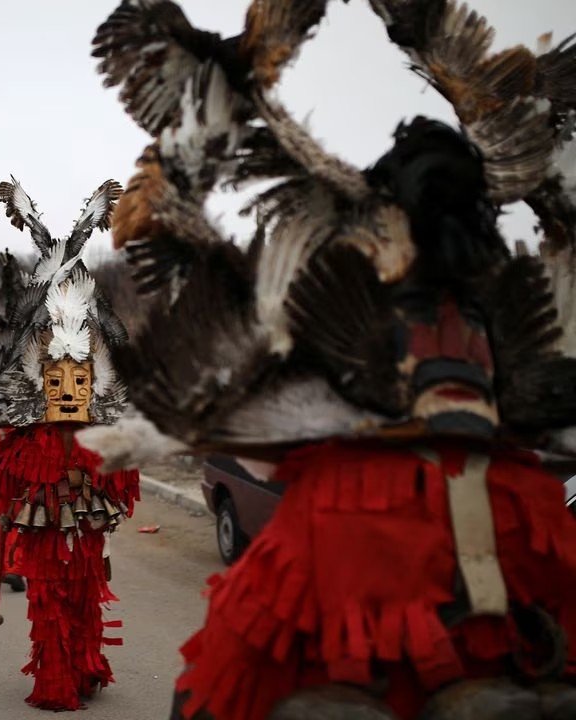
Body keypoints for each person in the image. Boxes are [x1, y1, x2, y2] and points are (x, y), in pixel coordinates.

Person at [90, 3, 576, 718]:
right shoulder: (535, 503)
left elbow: (218, 689)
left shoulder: (349, 500)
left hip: (364, 508)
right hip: (486, 498)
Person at [0, 176, 139, 711]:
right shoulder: (27, 439)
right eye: (56, 383)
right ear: (38, 386)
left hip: (88, 539)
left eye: (79, 381)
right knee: (51, 604)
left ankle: (87, 667)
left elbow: (123, 481)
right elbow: (2, 485)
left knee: (87, 601)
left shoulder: (102, 434)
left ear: (95, 382)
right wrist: (9, 506)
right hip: (45, 540)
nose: (69, 392)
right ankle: (57, 679)